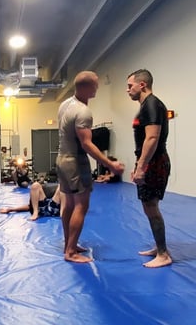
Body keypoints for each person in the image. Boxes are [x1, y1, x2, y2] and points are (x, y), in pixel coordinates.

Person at [57, 71, 125, 263]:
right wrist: (110, 164)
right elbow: (86, 144)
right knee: (81, 205)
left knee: (68, 204)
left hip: (61, 159)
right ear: (87, 87)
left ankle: (69, 244)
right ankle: (71, 252)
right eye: (95, 84)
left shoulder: (65, 105)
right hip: (75, 162)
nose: (97, 87)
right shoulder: (83, 111)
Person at [127, 69, 172, 268]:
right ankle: (159, 247)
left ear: (142, 85)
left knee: (151, 207)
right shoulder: (146, 106)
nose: (128, 90)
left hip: (155, 162)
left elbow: (152, 138)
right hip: (150, 161)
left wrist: (141, 167)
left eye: (130, 86)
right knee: (149, 206)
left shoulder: (152, 104)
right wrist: (139, 164)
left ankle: (163, 254)